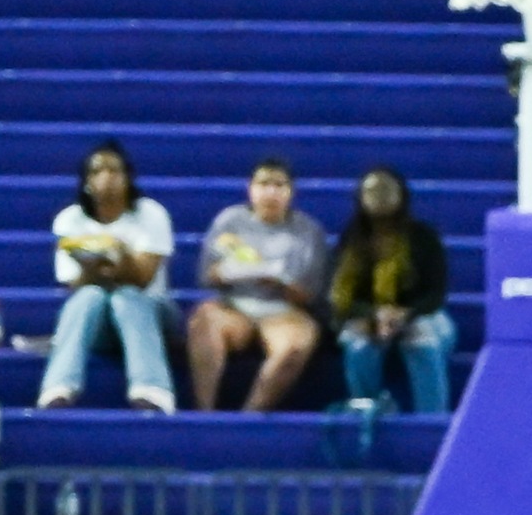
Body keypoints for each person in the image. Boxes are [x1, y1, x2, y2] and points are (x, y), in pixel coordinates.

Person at [38, 140, 181, 413]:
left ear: (128, 179)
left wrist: (120, 254)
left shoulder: (151, 214)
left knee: (126, 296)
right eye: (98, 171)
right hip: (98, 318)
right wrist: (92, 266)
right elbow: (74, 285)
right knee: (89, 297)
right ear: (87, 182)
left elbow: (143, 279)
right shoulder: (70, 220)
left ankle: (152, 388)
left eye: (115, 171)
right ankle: (58, 388)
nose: (107, 178)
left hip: (153, 314)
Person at [189, 158, 330, 413]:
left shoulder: (309, 231)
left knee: (296, 345)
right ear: (250, 189)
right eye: (264, 184)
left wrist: (279, 282)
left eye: (279, 185)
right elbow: (207, 275)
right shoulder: (229, 221)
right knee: (202, 323)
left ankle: (250, 414)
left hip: (283, 310)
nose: (271, 192)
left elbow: (312, 295)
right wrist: (230, 272)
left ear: (291, 192)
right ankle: (204, 411)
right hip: (234, 305)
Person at [331, 166, 456, 414]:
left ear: (402, 195)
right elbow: (343, 298)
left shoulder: (424, 237)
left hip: (421, 312)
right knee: (358, 343)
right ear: (359, 197)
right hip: (371, 315)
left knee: (423, 342)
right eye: (372, 190)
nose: (380, 196)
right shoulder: (352, 239)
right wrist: (373, 315)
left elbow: (435, 295)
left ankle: (432, 418)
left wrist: (404, 315)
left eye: (386, 190)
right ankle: (365, 409)